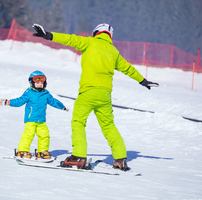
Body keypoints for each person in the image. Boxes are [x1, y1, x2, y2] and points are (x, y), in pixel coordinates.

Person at [32, 23, 159, 170]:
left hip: (87, 93)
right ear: (109, 35)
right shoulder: (113, 51)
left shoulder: (89, 42)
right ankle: (120, 159)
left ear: (96, 33)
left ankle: (79, 156)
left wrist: (48, 35)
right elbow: (128, 68)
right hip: (104, 95)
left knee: (78, 122)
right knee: (108, 125)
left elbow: (69, 39)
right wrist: (143, 81)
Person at [0, 70, 69, 159]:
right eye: (37, 81)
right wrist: (9, 102)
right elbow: (19, 101)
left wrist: (62, 107)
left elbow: (53, 101)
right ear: (31, 82)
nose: (40, 84)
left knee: (44, 135)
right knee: (29, 134)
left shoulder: (46, 94)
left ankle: (42, 151)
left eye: (42, 81)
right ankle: (22, 151)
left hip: (41, 120)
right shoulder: (29, 93)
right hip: (30, 119)